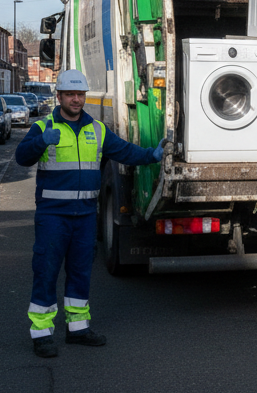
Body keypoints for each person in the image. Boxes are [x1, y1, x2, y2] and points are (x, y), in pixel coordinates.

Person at [14, 69, 164, 358]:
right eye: (70, 94)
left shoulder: (97, 129)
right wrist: (40, 141)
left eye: (80, 94)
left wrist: (151, 155)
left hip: (84, 217)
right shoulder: (43, 127)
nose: (76, 99)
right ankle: (42, 334)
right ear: (58, 96)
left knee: (81, 273)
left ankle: (78, 329)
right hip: (52, 216)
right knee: (46, 271)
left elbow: (124, 151)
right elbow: (22, 158)